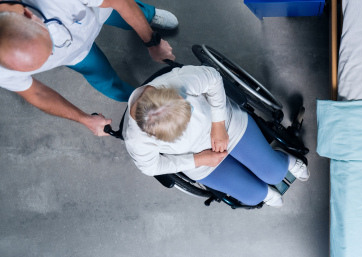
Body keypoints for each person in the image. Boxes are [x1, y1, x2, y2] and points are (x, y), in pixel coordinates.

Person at [123, 65, 310, 207]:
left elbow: (213, 77)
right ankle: (265, 192)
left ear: (177, 97)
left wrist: (218, 125)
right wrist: (198, 159)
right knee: (253, 196)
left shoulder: (178, 80)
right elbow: (151, 167)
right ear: (155, 134)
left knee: (275, 173)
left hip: (227, 125)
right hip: (200, 162)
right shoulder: (136, 140)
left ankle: (284, 159)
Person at [0, 0, 178, 136]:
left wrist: (152, 42)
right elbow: (36, 93)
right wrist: (84, 119)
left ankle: (149, 15)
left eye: (49, 48)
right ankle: (138, 99)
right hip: (76, 55)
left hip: (99, 11)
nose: (52, 55)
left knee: (132, 13)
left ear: (28, 13)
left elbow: (120, 2)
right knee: (106, 82)